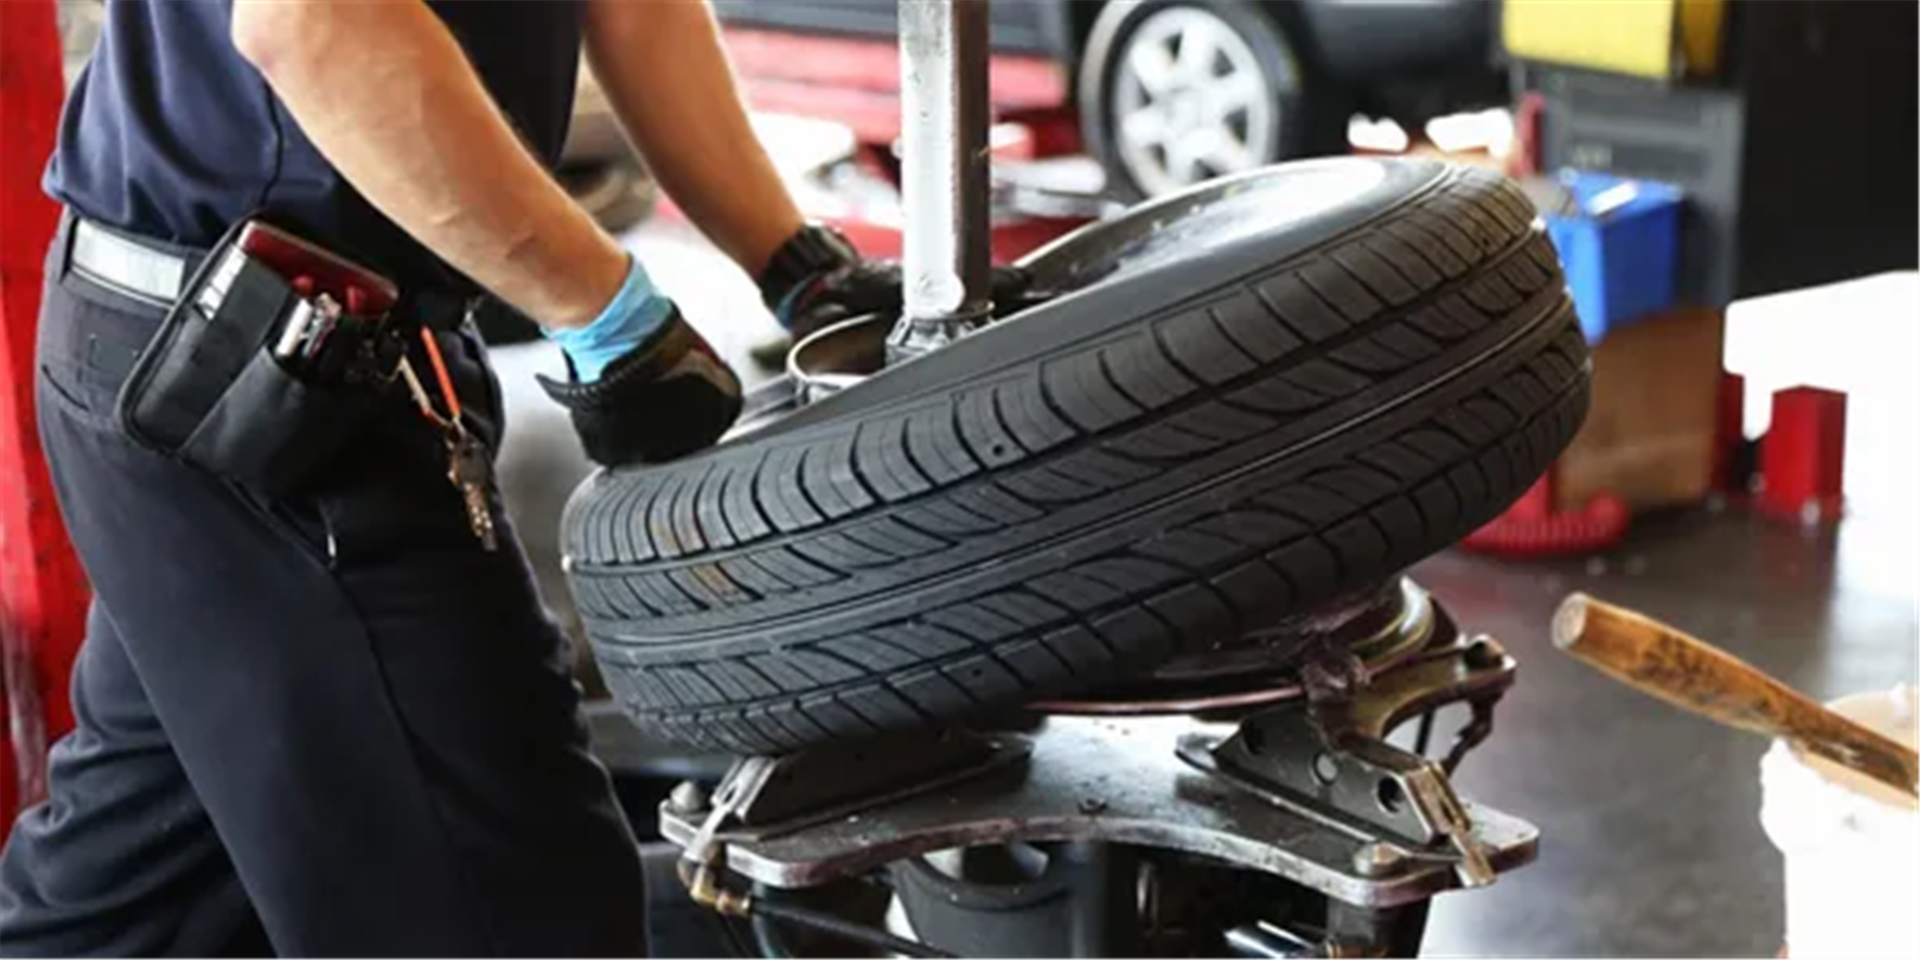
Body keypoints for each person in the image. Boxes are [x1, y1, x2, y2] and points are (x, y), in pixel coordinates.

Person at [0, 0, 933, 954]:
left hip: (279, 331)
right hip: (262, 368)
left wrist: (791, 260)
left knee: (145, 895)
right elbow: (313, 23)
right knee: (508, 906)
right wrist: (605, 311)